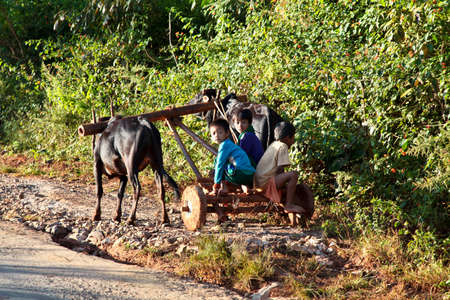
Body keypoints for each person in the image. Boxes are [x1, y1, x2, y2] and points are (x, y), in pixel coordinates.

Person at [254, 121, 305, 214]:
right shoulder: (283, 146)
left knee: (288, 178)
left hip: (259, 183)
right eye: (293, 137)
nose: (293, 141)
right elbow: (280, 169)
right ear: (287, 138)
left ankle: (287, 201)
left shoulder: (274, 144)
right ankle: (289, 205)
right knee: (293, 175)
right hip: (265, 184)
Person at [209, 118, 256, 196]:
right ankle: (246, 188)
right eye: (214, 133)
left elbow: (219, 165)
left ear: (227, 133)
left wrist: (216, 183)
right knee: (234, 164)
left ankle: (224, 188)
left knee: (217, 162)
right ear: (211, 136)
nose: (217, 135)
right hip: (250, 175)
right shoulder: (230, 144)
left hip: (240, 174)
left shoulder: (224, 145)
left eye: (220, 132)